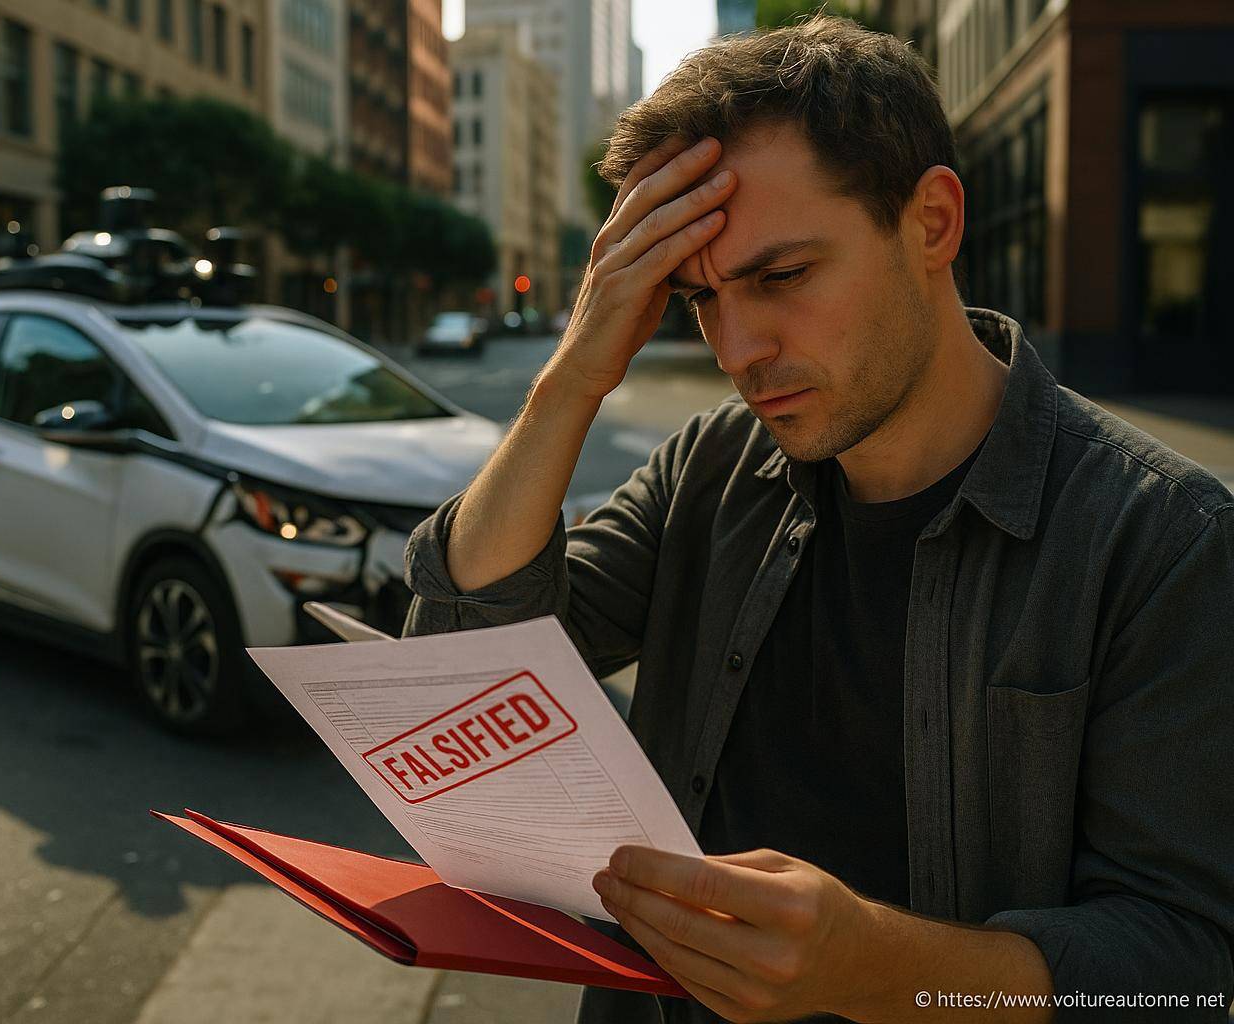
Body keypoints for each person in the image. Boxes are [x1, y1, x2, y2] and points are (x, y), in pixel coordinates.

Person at [400, 14, 1234, 1024]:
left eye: (781, 276)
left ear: (931, 222)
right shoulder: (709, 468)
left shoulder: (1160, 539)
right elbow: (455, 669)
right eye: (699, 298)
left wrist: (876, 967)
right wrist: (575, 376)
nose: (739, 347)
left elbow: (1186, 966)